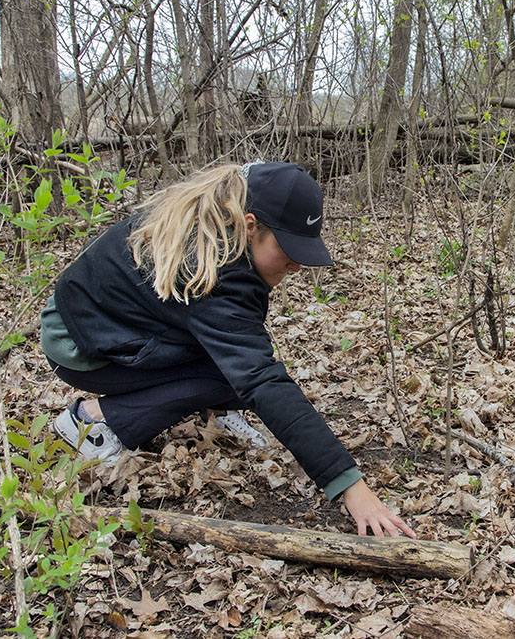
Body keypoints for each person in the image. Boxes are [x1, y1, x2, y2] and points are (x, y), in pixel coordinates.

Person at [40, 161, 415, 538]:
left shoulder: (226, 224)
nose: (297, 265)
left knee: (236, 362)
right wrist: (350, 485)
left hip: (106, 323)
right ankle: (92, 421)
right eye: (288, 248)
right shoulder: (214, 266)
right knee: (237, 379)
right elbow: (260, 379)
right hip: (78, 345)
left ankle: (211, 413)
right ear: (251, 226)